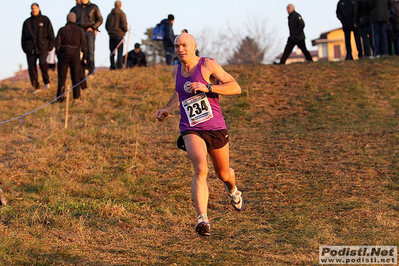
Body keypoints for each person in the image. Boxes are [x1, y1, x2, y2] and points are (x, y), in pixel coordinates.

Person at [155, 33, 244, 236]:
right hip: (190, 127)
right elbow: (179, 93)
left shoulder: (208, 66)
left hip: (215, 127)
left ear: (194, 46)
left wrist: (208, 87)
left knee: (223, 174)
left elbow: (235, 87)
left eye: (184, 45)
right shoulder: (175, 71)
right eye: (177, 46)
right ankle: (203, 219)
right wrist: (168, 109)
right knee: (201, 168)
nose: (180, 49)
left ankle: (233, 190)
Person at [21, 3, 55, 93]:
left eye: (35, 8)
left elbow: (51, 34)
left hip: (43, 47)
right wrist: (25, 48)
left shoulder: (45, 20)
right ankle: (36, 87)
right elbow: (23, 37)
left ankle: (46, 82)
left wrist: (50, 47)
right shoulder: (27, 22)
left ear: (39, 9)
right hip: (30, 49)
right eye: (32, 8)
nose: (34, 10)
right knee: (32, 68)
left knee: (43, 63)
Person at [55, 12, 87, 102]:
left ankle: (60, 98)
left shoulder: (62, 30)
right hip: (75, 55)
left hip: (63, 55)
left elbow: (57, 45)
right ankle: (76, 97)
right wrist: (85, 56)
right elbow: (84, 45)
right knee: (75, 77)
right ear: (75, 19)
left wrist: (59, 56)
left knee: (62, 77)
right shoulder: (79, 30)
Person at [71, 0, 103, 75]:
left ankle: (91, 71)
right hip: (78, 32)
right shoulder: (75, 8)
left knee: (90, 52)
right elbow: (71, 19)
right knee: (78, 52)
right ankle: (80, 70)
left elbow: (100, 19)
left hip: (89, 32)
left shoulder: (94, 7)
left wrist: (93, 27)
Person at [106, 1, 127, 70]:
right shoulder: (122, 14)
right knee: (120, 51)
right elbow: (124, 24)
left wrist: (109, 31)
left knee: (112, 51)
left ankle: (112, 66)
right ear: (120, 6)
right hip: (119, 35)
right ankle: (119, 66)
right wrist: (125, 30)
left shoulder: (110, 15)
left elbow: (106, 25)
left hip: (111, 35)